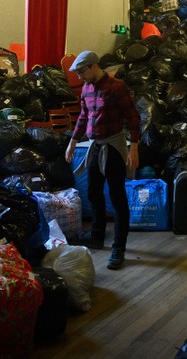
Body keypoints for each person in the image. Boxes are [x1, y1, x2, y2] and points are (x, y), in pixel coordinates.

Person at [64, 50, 141, 270]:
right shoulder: (86, 89)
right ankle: (97, 235)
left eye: (81, 72)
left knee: (117, 197)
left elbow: (134, 117)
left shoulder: (117, 87)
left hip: (114, 147)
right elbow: (83, 116)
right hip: (95, 146)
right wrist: (73, 141)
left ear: (94, 66)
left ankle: (119, 247)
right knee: (93, 191)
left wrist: (133, 147)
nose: (79, 77)